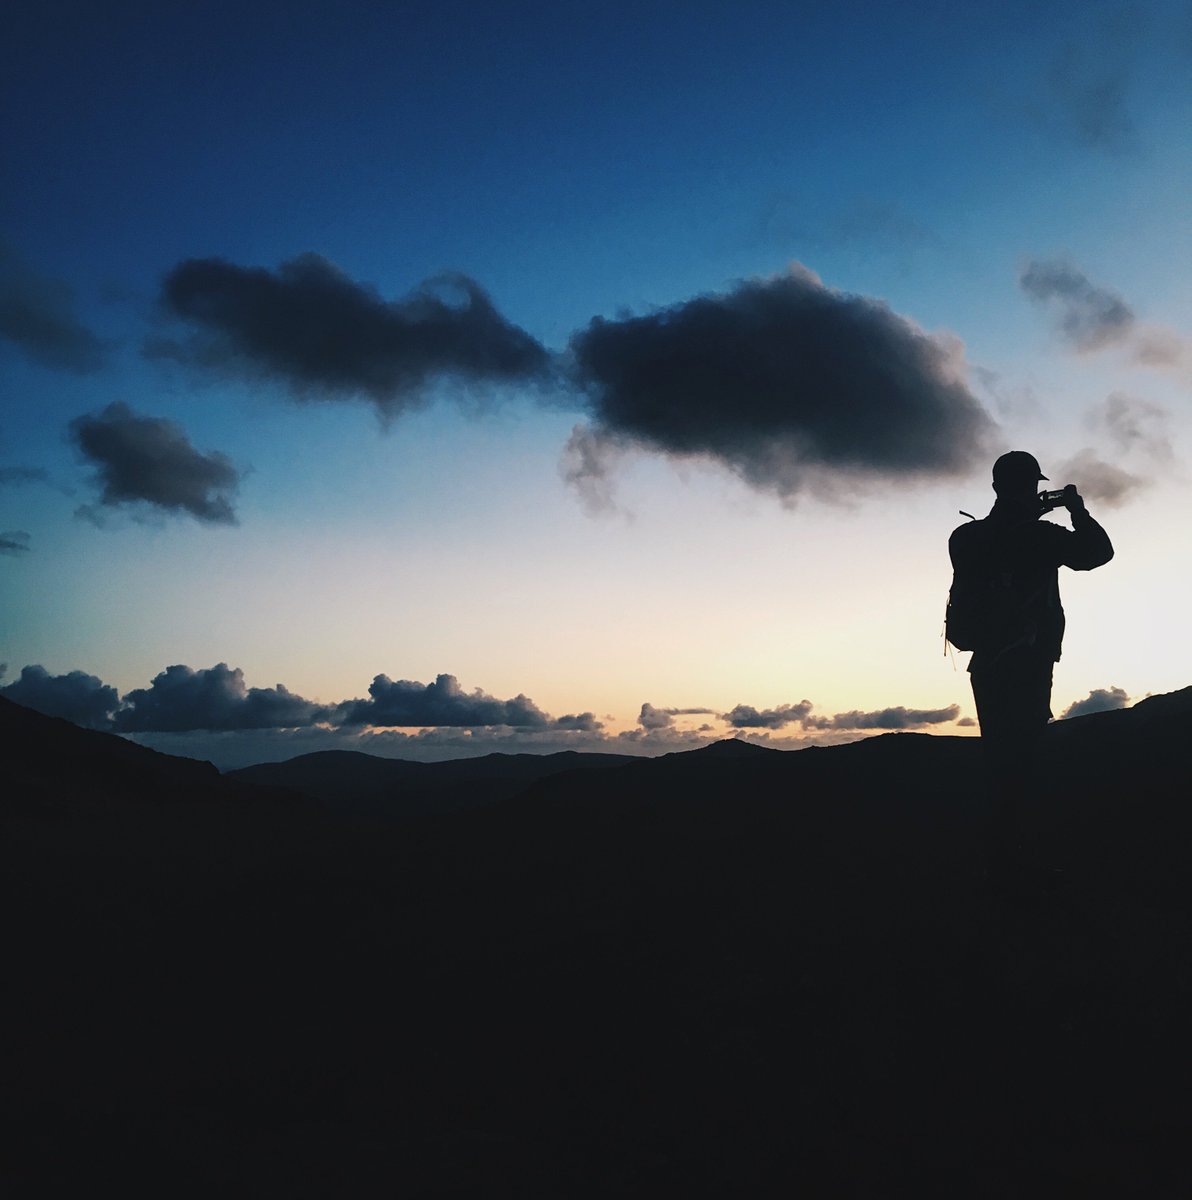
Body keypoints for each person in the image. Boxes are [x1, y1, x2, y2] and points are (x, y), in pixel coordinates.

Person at [948, 451, 1113, 860]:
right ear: (1033, 487)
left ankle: (997, 845)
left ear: (994, 487)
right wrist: (1076, 511)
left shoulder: (964, 537)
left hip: (984, 662)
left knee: (997, 751)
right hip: (1028, 658)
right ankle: (1017, 853)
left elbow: (992, 553)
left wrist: (1021, 516)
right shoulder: (1042, 536)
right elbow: (1098, 553)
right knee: (1025, 755)